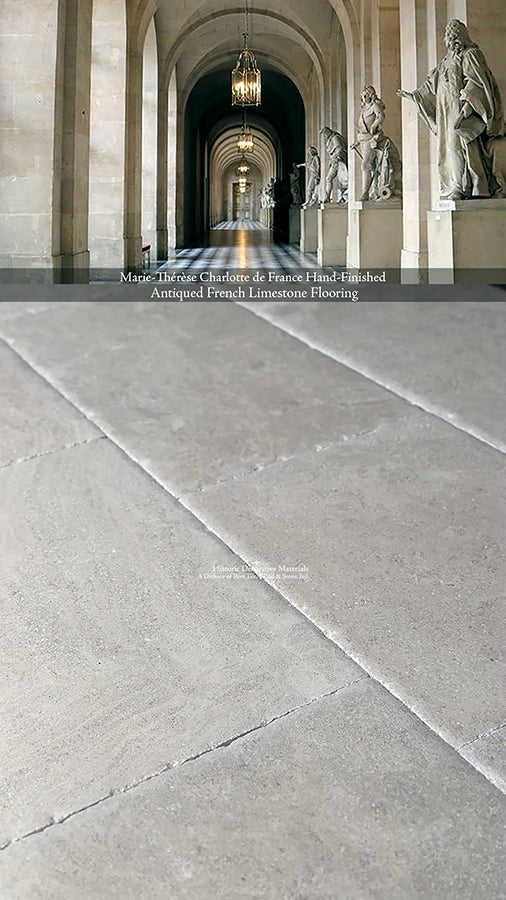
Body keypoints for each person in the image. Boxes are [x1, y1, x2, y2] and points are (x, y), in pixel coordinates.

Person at [397, 19, 504, 199]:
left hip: (459, 109)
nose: (451, 37)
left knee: (459, 145)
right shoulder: (446, 60)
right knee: (447, 148)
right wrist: (415, 96)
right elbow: (431, 84)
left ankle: (464, 187)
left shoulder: (470, 54)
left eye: (455, 33)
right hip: (444, 110)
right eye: (449, 34)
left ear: (462, 35)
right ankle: (456, 185)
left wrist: (467, 107)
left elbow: (477, 82)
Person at [320, 127, 348, 202]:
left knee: (333, 179)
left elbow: (339, 148)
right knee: (335, 179)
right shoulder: (331, 139)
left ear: (327, 132)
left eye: (324, 135)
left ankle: (328, 197)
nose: (324, 137)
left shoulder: (335, 137)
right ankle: (329, 197)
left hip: (338, 161)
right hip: (334, 161)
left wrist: (338, 157)